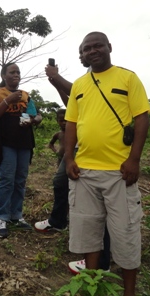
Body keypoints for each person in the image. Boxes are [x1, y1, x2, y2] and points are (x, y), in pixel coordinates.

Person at [64, 32, 150, 296]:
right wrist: (69, 158)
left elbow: (142, 118)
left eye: (97, 46)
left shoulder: (128, 78)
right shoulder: (79, 84)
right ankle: (93, 286)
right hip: (85, 173)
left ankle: (129, 292)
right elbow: (71, 124)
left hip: (119, 173)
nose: (92, 51)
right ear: (83, 54)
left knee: (125, 234)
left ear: (109, 47)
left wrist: (134, 160)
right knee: (88, 235)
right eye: (87, 48)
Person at [35, 51, 112, 274]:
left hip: (95, 151)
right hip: (80, 148)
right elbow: (73, 103)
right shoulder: (88, 77)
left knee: (97, 206)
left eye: (87, 50)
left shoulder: (102, 78)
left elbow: (84, 95)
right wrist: (57, 84)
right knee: (61, 183)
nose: (82, 56)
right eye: (81, 51)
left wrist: (57, 77)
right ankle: (59, 222)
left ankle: (99, 261)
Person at [0, 62, 42, 238]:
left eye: (18, 72)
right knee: (7, 179)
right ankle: (1, 216)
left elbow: (36, 114)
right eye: (12, 72)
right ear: (3, 76)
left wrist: (35, 120)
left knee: (20, 179)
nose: (16, 75)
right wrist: (8, 101)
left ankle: (16, 215)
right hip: (5, 143)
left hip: (24, 143)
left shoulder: (25, 95)